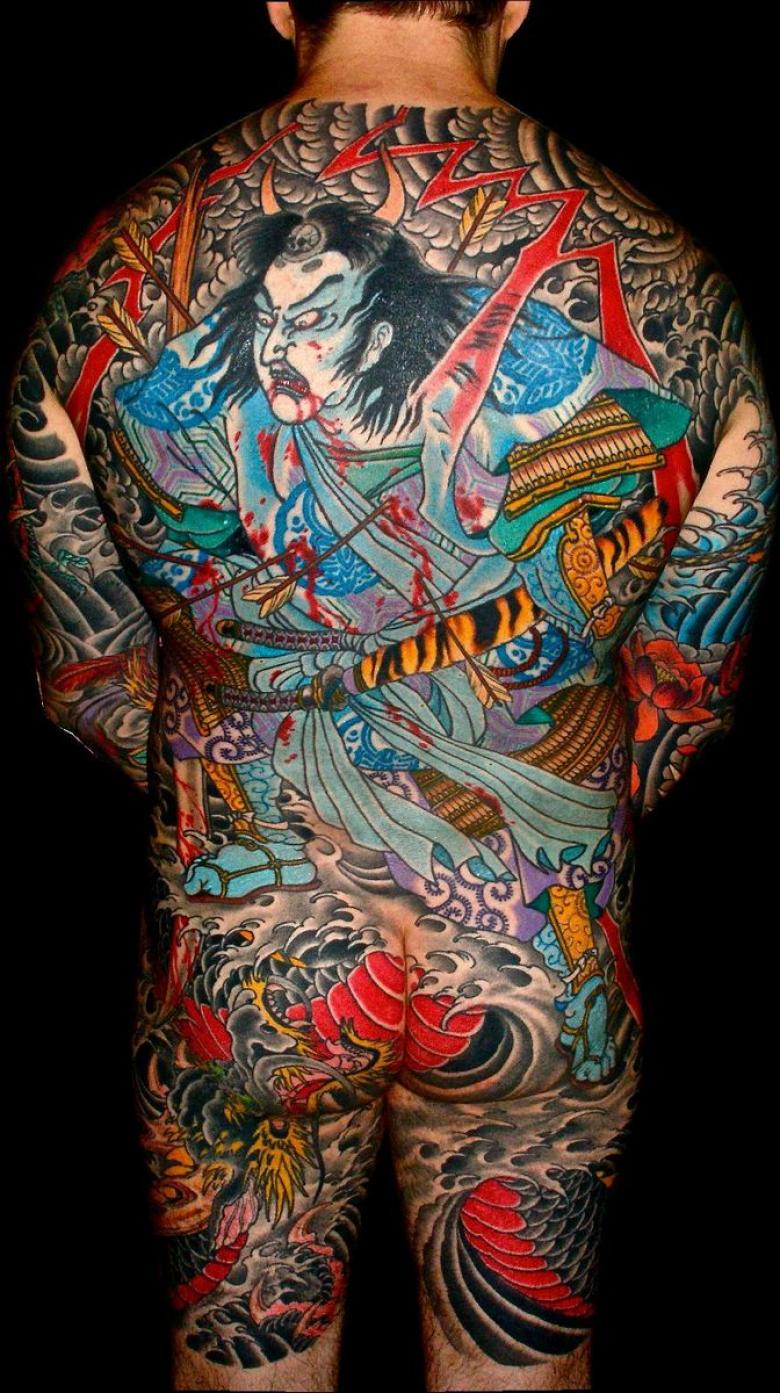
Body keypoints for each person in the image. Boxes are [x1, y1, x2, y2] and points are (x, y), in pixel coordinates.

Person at [5, 2, 776, 1388]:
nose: (284, 354)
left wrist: (276, 774)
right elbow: (685, 691)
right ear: (513, 2)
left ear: (282, 4)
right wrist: (507, 797)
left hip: (245, 969)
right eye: (274, 324)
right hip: (540, 964)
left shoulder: (97, 281)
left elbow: (90, 681)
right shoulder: (690, 291)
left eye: (320, 321)